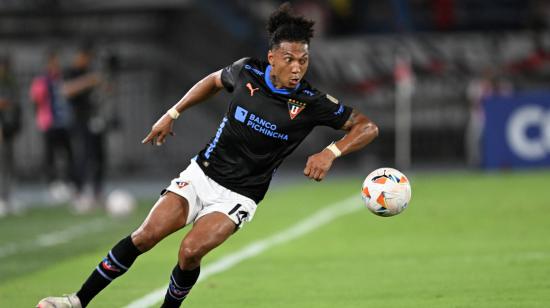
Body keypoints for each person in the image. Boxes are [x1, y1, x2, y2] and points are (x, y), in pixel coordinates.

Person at [37, 3, 379, 308]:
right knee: (145, 236)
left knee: (189, 252)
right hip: (201, 174)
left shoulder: (310, 101)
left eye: (303, 60)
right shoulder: (247, 72)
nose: (296, 68)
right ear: (272, 56)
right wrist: (172, 113)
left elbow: (366, 126)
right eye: (289, 59)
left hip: (240, 195)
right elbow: (213, 81)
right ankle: (77, 300)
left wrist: (331, 151)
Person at [30, 51, 77, 202]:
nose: (57, 65)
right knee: (50, 156)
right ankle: (53, 185)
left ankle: (67, 183)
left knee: (68, 154)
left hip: (63, 122)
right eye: (54, 62)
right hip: (49, 123)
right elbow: (35, 99)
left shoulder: (61, 79)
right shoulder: (43, 80)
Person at [63, 45, 104, 211]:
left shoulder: (91, 70)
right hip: (78, 120)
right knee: (81, 156)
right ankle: (78, 193)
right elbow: (66, 90)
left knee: (98, 156)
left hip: (93, 119)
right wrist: (89, 81)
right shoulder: (72, 72)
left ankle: (96, 192)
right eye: (86, 57)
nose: (87, 61)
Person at [0, 55, 21, 216]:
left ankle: (8, 197)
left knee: (9, 163)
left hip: (9, 128)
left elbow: (15, 104)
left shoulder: (10, 82)